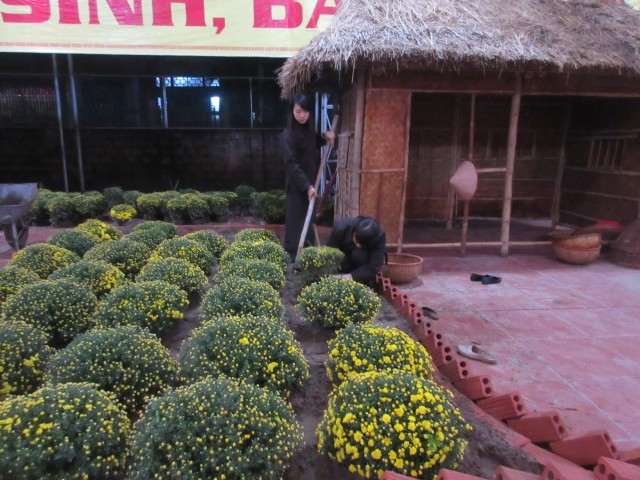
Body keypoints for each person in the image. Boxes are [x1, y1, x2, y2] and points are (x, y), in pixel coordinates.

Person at [278, 93, 335, 261]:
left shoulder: (309, 132)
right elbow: (292, 165)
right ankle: (292, 255)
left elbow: (314, 141)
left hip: (311, 183)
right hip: (297, 185)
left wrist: (325, 136)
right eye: (298, 111)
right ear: (292, 112)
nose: (302, 115)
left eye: (305, 111)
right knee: (296, 219)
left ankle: (307, 253)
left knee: (309, 220)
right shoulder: (286, 136)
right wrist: (306, 186)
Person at [326, 216, 386, 285]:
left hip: (358, 267)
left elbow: (373, 266)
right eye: (356, 241)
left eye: (361, 245)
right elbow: (328, 252)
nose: (357, 245)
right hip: (341, 259)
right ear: (354, 233)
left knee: (358, 254)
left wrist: (350, 277)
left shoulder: (379, 238)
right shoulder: (340, 228)